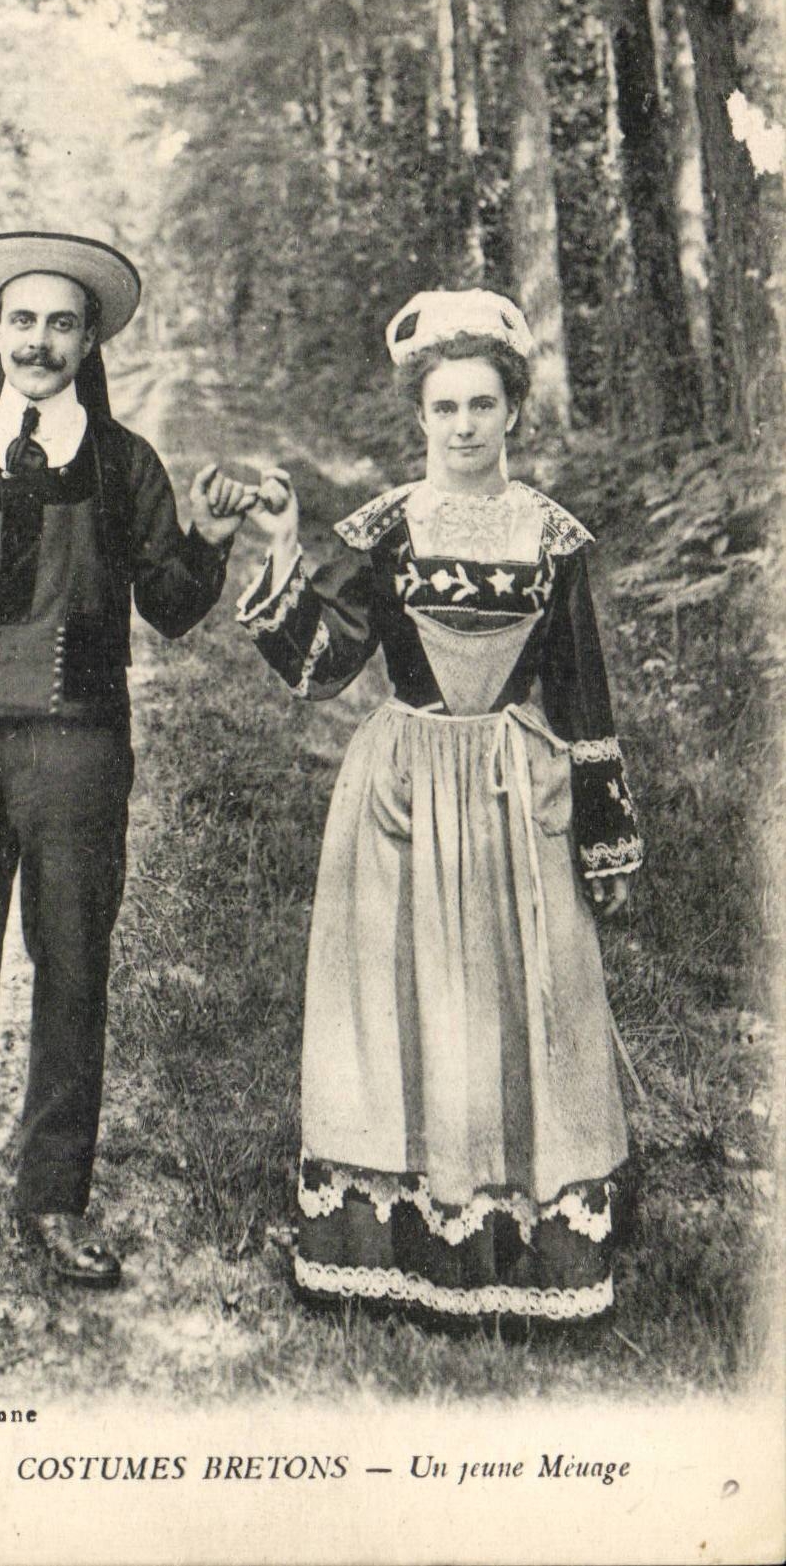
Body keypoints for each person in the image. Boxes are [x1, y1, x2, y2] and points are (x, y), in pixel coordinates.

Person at [0, 231, 254, 1357]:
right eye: (21, 322)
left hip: (81, 755)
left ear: (90, 342)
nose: (39, 343)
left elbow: (174, 604)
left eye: (61, 325)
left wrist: (213, 539)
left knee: (73, 971)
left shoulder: (127, 464)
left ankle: (52, 1200)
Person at [238, 289, 643, 1326]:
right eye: (441, 408)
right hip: (403, 789)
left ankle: (526, 1240)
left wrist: (599, 825)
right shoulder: (386, 531)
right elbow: (319, 669)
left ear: (512, 409)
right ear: (417, 418)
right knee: (395, 996)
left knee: (529, 992)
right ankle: (395, 1230)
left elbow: (583, 693)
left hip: (513, 788)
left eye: (479, 404)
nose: (461, 426)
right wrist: (280, 545)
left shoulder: (552, 538)